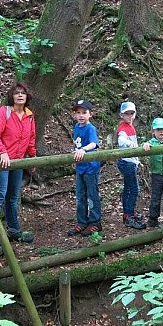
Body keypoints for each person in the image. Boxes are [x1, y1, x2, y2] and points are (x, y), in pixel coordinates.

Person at [0, 82, 36, 246]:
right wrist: (2, 151)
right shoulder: (4, 112)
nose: (20, 95)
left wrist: (32, 158)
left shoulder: (29, 116)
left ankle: (14, 231)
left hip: (18, 161)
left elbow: (31, 140)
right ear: (12, 96)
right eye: (17, 93)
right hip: (1, 161)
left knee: (13, 197)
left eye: (23, 93)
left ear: (27, 96)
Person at [68, 100, 102, 237]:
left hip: (90, 167)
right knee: (80, 196)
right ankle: (82, 222)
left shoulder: (90, 128)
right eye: (78, 112)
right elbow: (76, 143)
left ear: (90, 114)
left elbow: (94, 143)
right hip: (80, 167)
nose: (81, 115)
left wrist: (83, 150)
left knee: (92, 195)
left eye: (84, 112)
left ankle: (95, 222)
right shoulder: (77, 127)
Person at [115, 101, 146, 229]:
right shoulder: (122, 128)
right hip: (126, 162)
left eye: (131, 113)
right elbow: (121, 140)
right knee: (133, 189)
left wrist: (137, 160)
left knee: (128, 188)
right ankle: (128, 216)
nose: (129, 116)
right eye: (126, 114)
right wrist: (129, 144)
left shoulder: (131, 127)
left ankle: (128, 214)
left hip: (131, 161)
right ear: (122, 115)